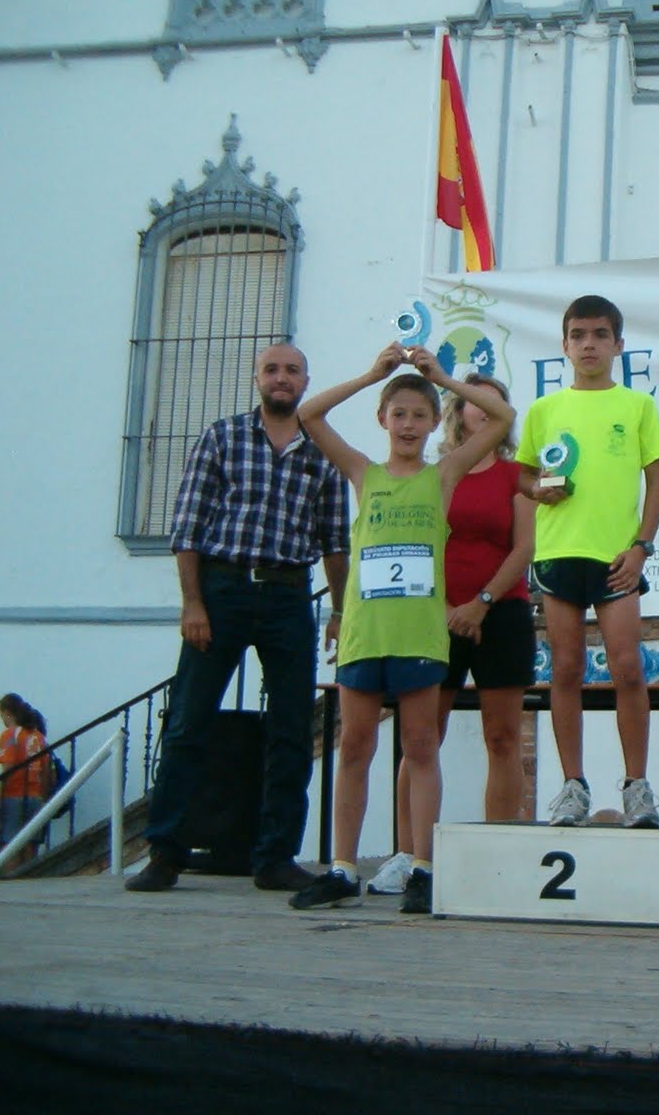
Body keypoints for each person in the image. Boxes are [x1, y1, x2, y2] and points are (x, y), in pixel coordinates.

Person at [288, 345, 515, 915]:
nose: (409, 425)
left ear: (432, 422)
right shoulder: (363, 472)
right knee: (356, 747)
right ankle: (342, 867)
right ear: (383, 420)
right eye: (399, 414)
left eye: (420, 415)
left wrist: (440, 378)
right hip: (367, 634)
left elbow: (505, 418)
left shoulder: (445, 474)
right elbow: (309, 415)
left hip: (419, 636)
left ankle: (423, 867)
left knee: (420, 748)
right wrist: (372, 375)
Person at [128, 343, 349, 895]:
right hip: (221, 591)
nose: (282, 378)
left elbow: (336, 544)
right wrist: (192, 602)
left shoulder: (323, 454)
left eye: (292, 370)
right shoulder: (221, 437)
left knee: (293, 731)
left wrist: (341, 611)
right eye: (272, 369)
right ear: (257, 378)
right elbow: (188, 527)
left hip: (289, 597)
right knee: (187, 723)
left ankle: (275, 855)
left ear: (306, 381)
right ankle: (165, 851)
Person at [367, 374, 535, 897]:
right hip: (433, 616)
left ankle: (497, 852)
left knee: (502, 738)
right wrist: (445, 607)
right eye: (474, 403)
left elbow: (524, 547)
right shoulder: (436, 473)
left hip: (500, 613)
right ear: (459, 411)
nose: (484, 411)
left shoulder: (515, 473)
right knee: (420, 740)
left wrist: (480, 604)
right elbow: (418, 544)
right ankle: (409, 856)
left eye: (495, 403)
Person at [517, 295, 659, 829]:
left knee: (628, 668)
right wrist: (540, 488)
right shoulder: (543, 410)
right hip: (559, 554)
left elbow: (656, 482)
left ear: (618, 345)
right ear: (564, 344)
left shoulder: (637, 406)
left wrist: (640, 546)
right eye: (578, 335)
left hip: (616, 560)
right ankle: (573, 786)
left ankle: (637, 786)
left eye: (600, 335)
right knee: (565, 669)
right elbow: (522, 476)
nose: (588, 344)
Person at [0, 694, 52, 864]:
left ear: (7, 713)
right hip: (35, 797)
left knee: (10, 849)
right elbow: (46, 771)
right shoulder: (38, 737)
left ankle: (12, 889)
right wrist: (43, 797)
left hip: (13, 796)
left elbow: (8, 768)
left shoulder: (10, 736)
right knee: (31, 849)